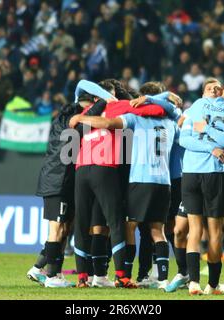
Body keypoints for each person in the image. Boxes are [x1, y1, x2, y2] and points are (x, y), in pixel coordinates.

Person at [71, 82, 181, 289]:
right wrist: (163, 97)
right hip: (140, 175)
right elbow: (166, 109)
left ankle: (84, 277)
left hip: (85, 167)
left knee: (89, 224)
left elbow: (83, 89)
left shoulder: (88, 111)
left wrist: (80, 116)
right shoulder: (129, 108)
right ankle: (134, 276)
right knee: (129, 225)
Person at [27, 80, 114, 288]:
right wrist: (106, 100)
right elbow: (85, 111)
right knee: (56, 229)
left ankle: (44, 270)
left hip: (63, 181)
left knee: (65, 228)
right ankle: (51, 276)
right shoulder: (72, 118)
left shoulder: (69, 114)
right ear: (89, 103)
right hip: (57, 182)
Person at [179, 74, 224, 295]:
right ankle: (210, 284)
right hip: (214, 174)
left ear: (222, 90)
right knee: (215, 232)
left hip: (190, 173)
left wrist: (206, 130)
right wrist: (212, 146)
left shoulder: (197, 106)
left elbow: (184, 138)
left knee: (195, 229)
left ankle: (194, 283)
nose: (214, 90)